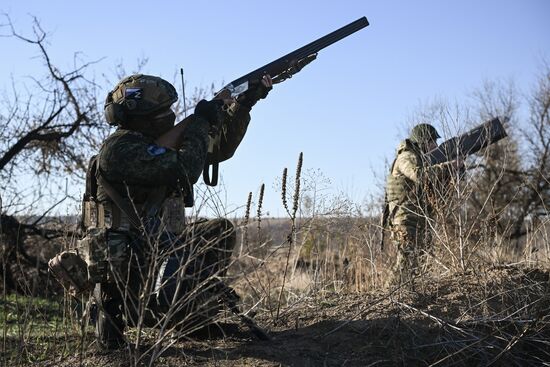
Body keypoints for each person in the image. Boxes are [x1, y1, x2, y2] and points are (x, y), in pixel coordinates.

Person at [82, 73, 272, 349]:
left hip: (155, 250)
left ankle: (186, 319)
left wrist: (242, 105)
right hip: (130, 270)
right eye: (163, 111)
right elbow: (186, 169)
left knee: (217, 232)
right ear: (142, 116)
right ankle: (162, 310)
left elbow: (219, 148)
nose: (170, 116)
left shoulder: (153, 144)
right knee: (177, 252)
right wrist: (199, 122)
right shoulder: (119, 150)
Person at [384, 123, 461, 287]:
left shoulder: (422, 159)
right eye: (433, 141)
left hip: (418, 219)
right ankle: (387, 295)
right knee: (405, 260)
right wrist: (448, 166)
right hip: (405, 220)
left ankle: (411, 294)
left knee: (419, 261)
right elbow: (419, 175)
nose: (436, 145)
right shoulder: (406, 157)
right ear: (423, 141)